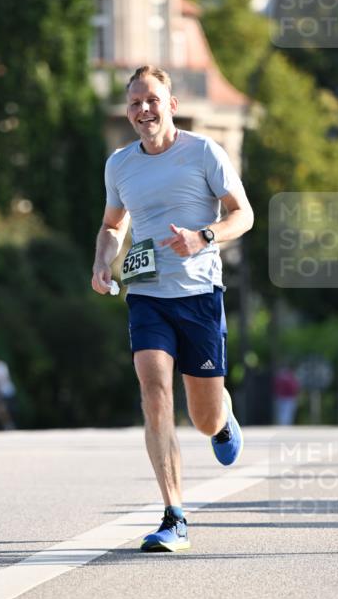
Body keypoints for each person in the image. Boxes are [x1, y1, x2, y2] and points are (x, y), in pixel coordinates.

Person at [91, 65, 254, 552]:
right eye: (136, 102)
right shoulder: (119, 164)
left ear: (171, 105)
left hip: (200, 295)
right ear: (128, 110)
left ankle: (221, 417)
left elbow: (242, 214)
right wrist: (103, 261)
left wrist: (203, 236)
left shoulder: (204, 152)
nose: (144, 110)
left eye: (152, 101)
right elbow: (112, 225)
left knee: (202, 417)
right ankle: (174, 515)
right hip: (147, 296)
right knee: (155, 390)